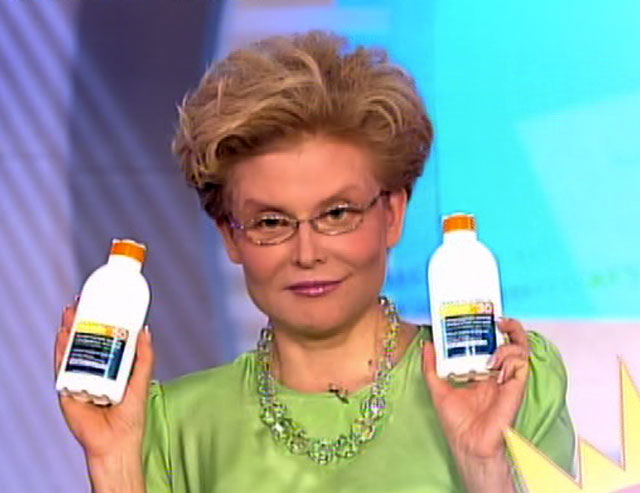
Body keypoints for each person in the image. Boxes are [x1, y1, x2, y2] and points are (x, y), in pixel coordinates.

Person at [55, 31, 575, 492]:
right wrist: (113, 462)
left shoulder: (505, 383)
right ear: (230, 236)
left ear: (392, 214)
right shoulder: (172, 428)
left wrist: (483, 466)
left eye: (337, 213)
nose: (307, 253)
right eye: (271, 222)